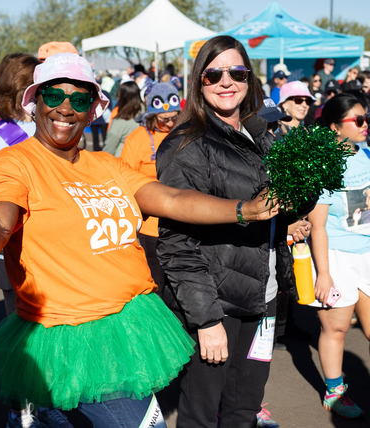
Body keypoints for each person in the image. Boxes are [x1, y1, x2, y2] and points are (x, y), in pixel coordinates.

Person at [0, 52, 280, 428]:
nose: (65, 108)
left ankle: (35, 414)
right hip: (65, 336)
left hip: (126, 327)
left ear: (91, 109)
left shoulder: (107, 166)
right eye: (54, 96)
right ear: (34, 103)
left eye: (79, 99)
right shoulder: (14, 163)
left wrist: (245, 209)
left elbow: (171, 198)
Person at [155, 35, 306, 428]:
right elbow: (176, 245)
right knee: (201, 416)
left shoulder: (263, 136)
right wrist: (206, 321)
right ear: (199, 82)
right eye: (214, 74)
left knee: (244, 411)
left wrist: (299, 197)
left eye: (237, 72)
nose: (226, 82)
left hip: (265, 297)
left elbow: (277, 206)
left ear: (250, 79)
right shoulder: (187, 145)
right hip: (217, 304)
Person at [0, 52, 75, 428]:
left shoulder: (52, 124)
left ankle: (60, 399)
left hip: (60, 248)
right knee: (23, 330)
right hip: (17, 249)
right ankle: (24, 405)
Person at [307, 93, 370, 420]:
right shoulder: (326, 165)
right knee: (337, 329)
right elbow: (318, 226)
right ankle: (335, 392)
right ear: (334, 128)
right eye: (357, 120)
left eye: (365, 118)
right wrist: (324, 273)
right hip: (337, 256)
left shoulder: (368, 155)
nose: (365, 124)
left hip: (368, 254)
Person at [120, 80, 181, 296]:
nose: (171, 124)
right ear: (151, 116)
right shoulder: (137, 139)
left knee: (181, 285)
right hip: (150, 228)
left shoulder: (184, 135)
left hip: (183, 224)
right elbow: (124, 182)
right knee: (156, 284)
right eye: (164, 120)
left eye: (175, 118)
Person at [102, 81, 143, 156]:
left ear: (122, 98)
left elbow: (109, 148)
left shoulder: (121, 120)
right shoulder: (148, 114)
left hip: (123, 161)